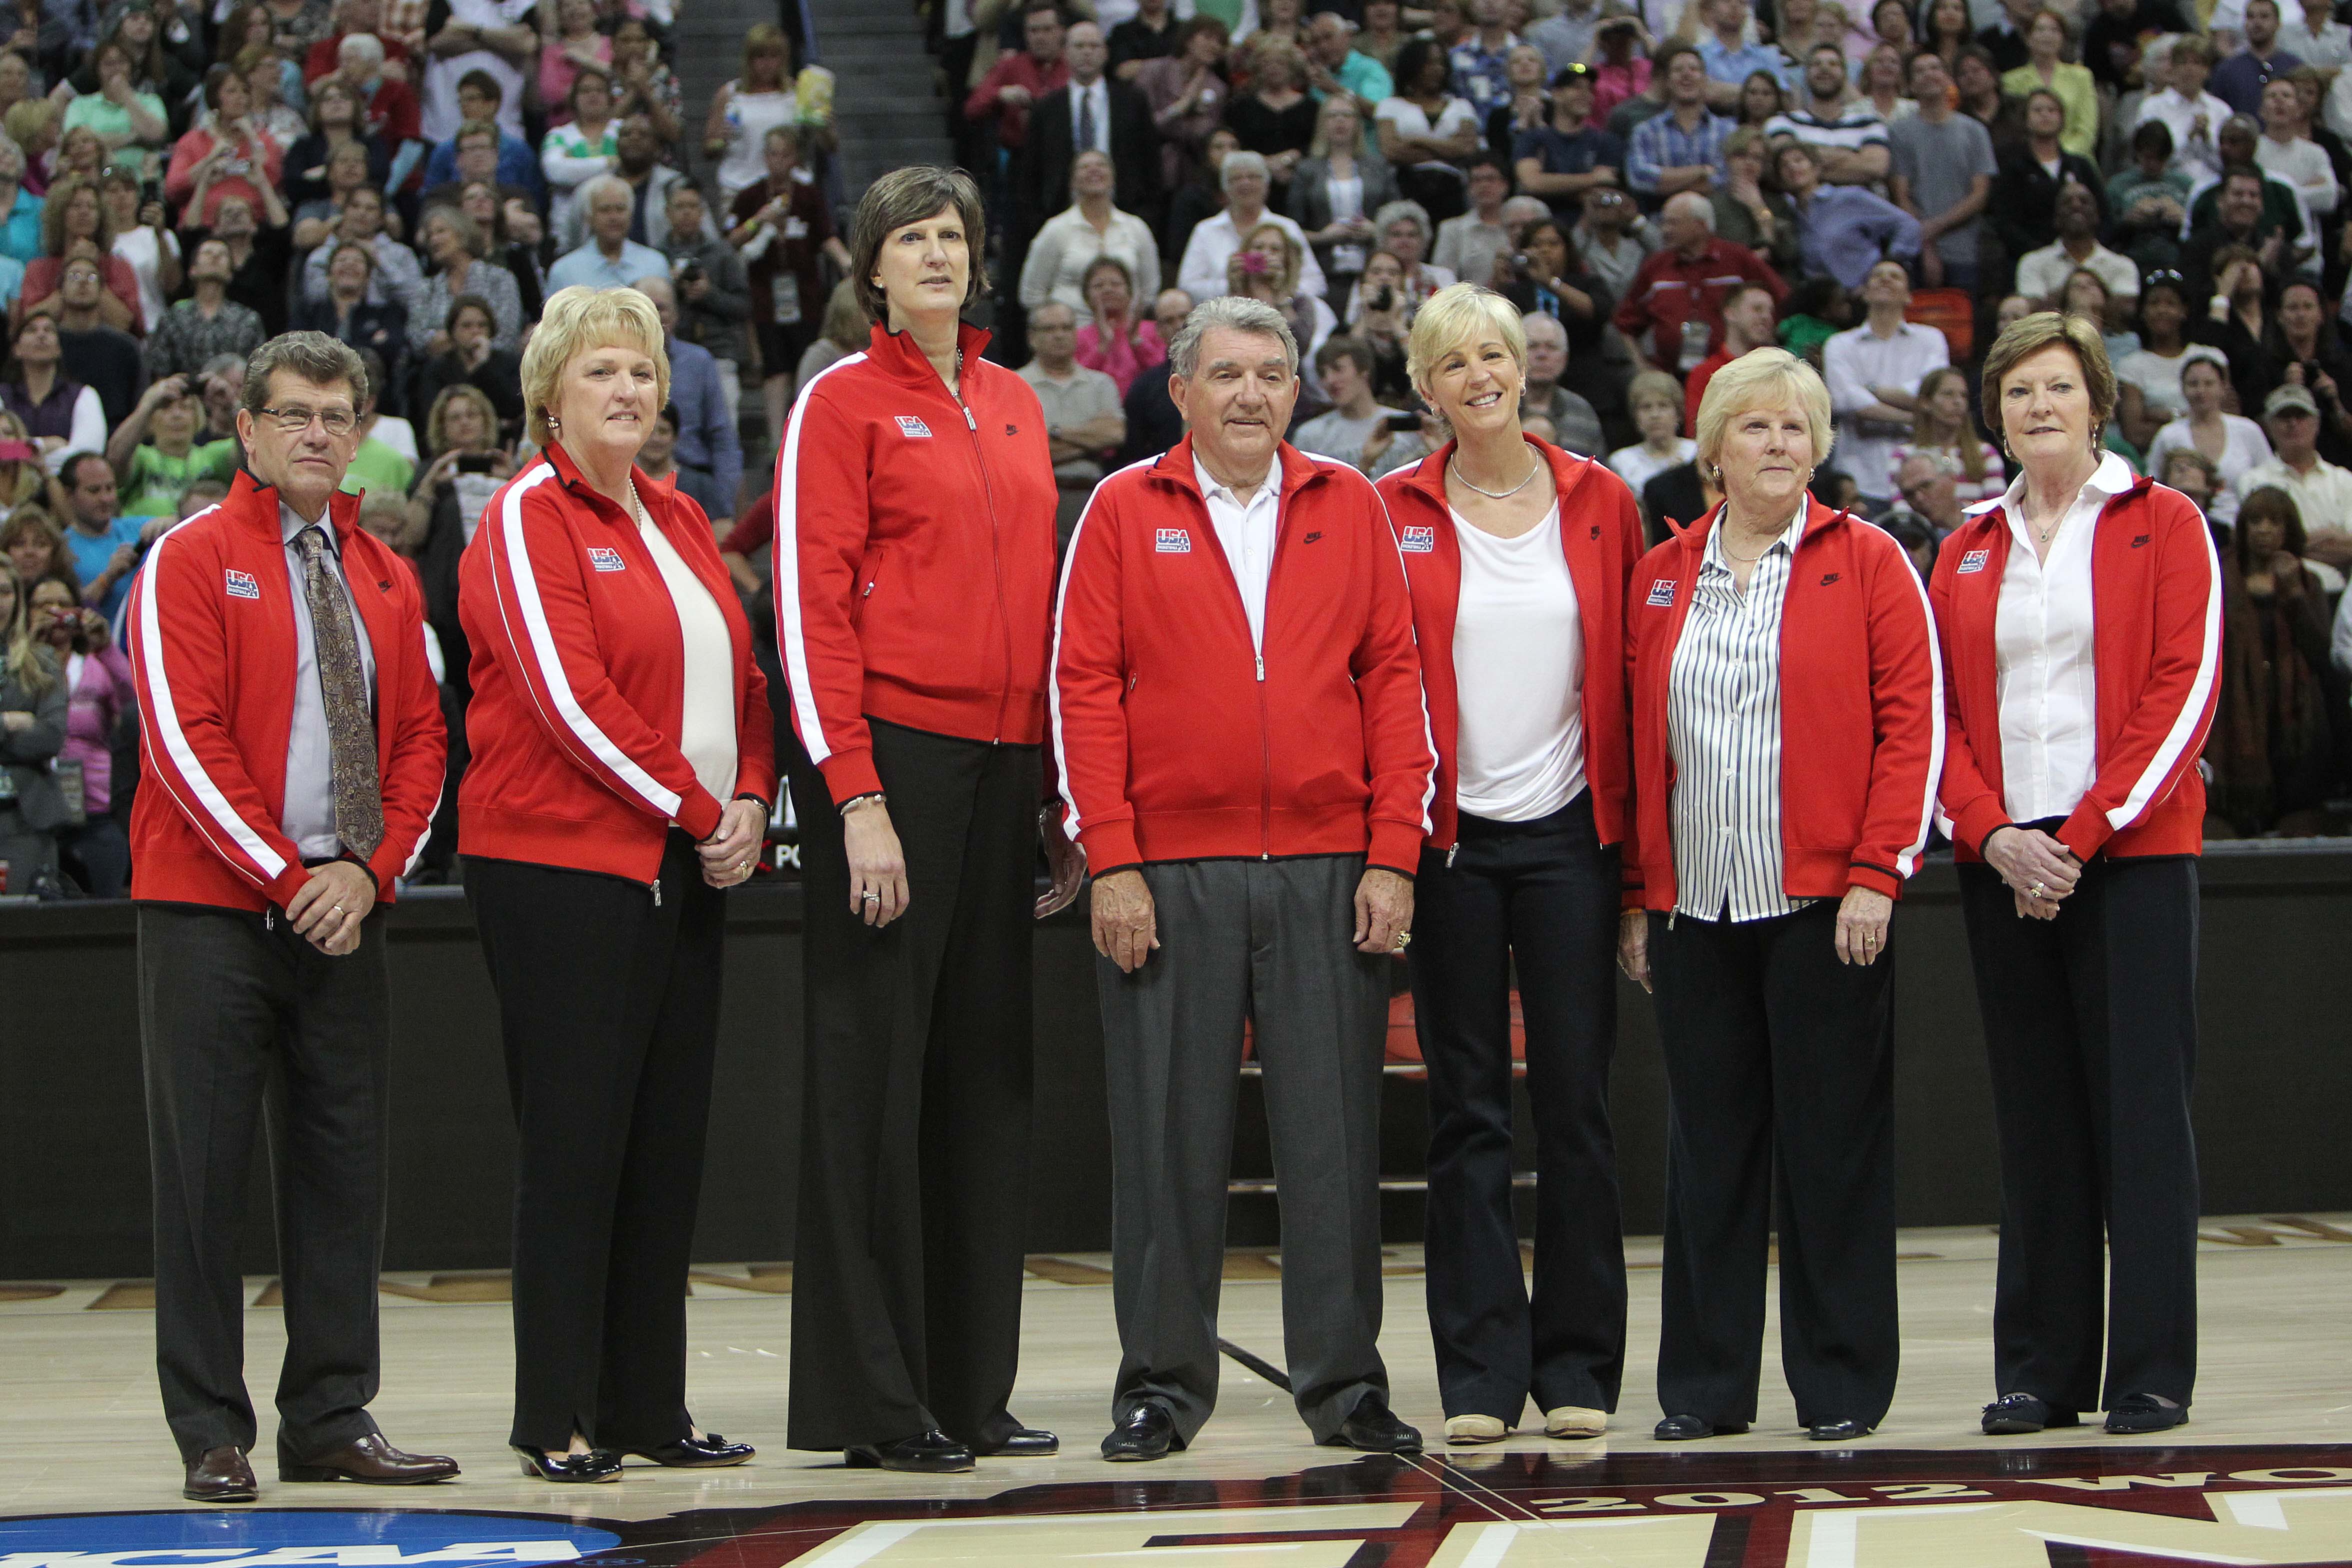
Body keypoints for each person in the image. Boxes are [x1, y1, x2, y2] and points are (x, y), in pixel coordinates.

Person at [1053, 292, 1430, 1464]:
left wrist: (1394, 853)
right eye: (1228, 374)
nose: (1254, 393)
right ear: (1183, 392)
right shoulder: (1122, 508)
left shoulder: (1348, 503)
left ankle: (1346, 1386)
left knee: (1332, 1142)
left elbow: (1395, 681)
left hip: (1329, 867)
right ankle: (1162, 1387)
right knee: (1168, 1142)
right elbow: (1084, 691)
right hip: (1170, 873)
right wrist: (1110, 862)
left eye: (1273, 373)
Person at [778, 166, 1075, 1475]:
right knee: (872, 1084)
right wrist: (855, 799)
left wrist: (1054, 794)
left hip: (1007, 770)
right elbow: (808, 609)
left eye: (955, 236)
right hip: (892, 763)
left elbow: (1046, 609)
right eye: (914, 239)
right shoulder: (838, 404)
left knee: (986, 1084)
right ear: (872, 271)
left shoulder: (1015, 403)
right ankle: (873, 1402)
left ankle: (973, 1387)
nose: (940, 255)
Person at [124, 330, 453, 1502]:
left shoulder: (385, 574)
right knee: (203, 1176)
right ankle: (211, 1427)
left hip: (345, 908)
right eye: (294, 415)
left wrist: (364, 875)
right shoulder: (188, 558)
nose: (317, 433)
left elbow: (423, 739)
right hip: (213, 912)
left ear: (359, 433)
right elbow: (182, 741)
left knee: (341, 1171)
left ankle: (330, 1412)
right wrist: (288, 876)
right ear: (249, 432)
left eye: (336, 415)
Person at [456, 284, 772, 1484]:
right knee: (577, 1144)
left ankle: (647, 1405)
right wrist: (705, 812)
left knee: (665, 1146)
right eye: (601, 373)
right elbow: (569, 703)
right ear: (548, 393)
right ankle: (555, 1415)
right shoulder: (528, 519)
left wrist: (748, 795)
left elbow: (742, 682)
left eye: (642, 371)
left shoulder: (682, 519)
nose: (629, 391)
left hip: (684, 865)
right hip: (561, 869)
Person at [1618, 345, 1940, 1444]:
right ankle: (1704, 1388)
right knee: (1707, 1153)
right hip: (1696, 907)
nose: (1779, 444)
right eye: (1755, 427)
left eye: (1797, 426)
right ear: (1711, 450)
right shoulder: (1662, 575)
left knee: (1832, 1149)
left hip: (1827, 907)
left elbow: (1912, 727)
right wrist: (1637, 896)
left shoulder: (1873, 559)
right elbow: (1632, 745)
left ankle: (1842, 1381)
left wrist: (1877, 873)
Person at [1360, 282, 1644, 1448]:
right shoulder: (1390, 510)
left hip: (1575, 841)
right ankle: (1479, 1371)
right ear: (1424, 390)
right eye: (1451, 362)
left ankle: (1578, 1366)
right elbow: (1373, 678)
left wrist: (1638, 880)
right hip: (1450, 851)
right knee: (1465, 1114)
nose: (1478, 374)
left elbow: (1632, 676)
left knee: (1575, 1106)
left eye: (1494, 354)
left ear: (1524, 369)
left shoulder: (1603, 501)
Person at [1932, 310, 2220, 1441]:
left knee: (2143, 1119)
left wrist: (2083, 836)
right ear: (1994, 418)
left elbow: (2182, 693)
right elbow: (1936, 716)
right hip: (2005, 862)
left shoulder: (2169, 521)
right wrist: (1995, 832)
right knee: (2037, 1121)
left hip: (2133, 854)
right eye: (2016, 394)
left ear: (2097, 400)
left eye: (2056, 388)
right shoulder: (1964, 549)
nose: (2037, 408)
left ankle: (2150, 1372)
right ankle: (2041, 1373)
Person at [2208, 486, 2346, 832]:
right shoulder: (2219, 578)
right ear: (2243, 528)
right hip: (2233, 709)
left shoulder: (2308, 581)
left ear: (2289, 530)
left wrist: (2294, 594)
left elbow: (2319, 652)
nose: (2264, 529)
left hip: (2294, 713)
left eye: (2274, 521)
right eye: (2256, 521)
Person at [728, 124, 849, 438]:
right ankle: (775, 441)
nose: (778, 161)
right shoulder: (750, 196)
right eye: (772, 154)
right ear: (765, 157)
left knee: (807, 361)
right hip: (766, 295)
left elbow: (827, 236)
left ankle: (809, 431)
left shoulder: (808, 196)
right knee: (774, 367)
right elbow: (732, 240)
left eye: (785, 154)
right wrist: (761, 220)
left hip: (805, 293)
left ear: (794, 158)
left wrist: (848, 263)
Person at [23, 571, 129, 894]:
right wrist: (27, 642)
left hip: (93, 813)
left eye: (63, 604)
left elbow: (135, 698)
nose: (55, 612)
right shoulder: (17, 667)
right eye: (43, 605)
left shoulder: (96, 666)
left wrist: (106, 646)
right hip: (32, 813)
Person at [1612, 192, 1786, 378]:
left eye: (1673, 223)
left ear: (1701, 226)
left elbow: (1784, 300)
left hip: (1736, 375)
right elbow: (1625, 324)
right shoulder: (1656, 267)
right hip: (1673, 379)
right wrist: (1643, 370)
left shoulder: (1737, 259)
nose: (1665, 230)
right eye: (1664, 223)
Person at [1822, 258, 1948, 506]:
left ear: (1909, 296)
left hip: (1920, 475)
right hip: (1858, 477)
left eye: (1895, 276)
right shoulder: (1839, 344)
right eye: (1877, 275)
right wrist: (1915, 417)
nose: (1885, 279)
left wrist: (1869, 390)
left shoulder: (1931, 339)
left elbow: (1931, 394)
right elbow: (1847, 401)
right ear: (1865, 293)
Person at [628, 276, 738, 526]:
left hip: (693, 486)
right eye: (646, 308)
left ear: (676, 315)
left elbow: (723, 438)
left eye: (662, 308)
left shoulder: (700, 362)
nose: (655, 316)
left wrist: (721, 501)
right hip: (629, 483)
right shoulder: (615, 367)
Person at [1888, 50, 1994, 294]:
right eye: (1920, 71)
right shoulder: (1900, 132)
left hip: (1965, 250)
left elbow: (1980, 194)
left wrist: (1935, 226)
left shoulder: (1975, 131)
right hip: (1917, 250)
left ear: (1948, 79)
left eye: (1935, 68)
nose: (1929, 75)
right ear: (1911, 84)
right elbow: (1901, 194)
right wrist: (1926, 244)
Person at [1020, 148, 1162, 328]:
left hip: (1127, 336)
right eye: (1085, 167)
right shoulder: (1055, 230)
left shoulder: (1137, 228)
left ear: (1114, 177)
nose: (1094, 170)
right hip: (1073, 335)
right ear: (1072, 181)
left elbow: (1150, 291)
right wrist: (1058, 328)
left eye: (1101, 165)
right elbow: (1031, 294)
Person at [1178, 150, 1328, 300]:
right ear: (1225, 188)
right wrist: (1231, 286)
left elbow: (1316, 283)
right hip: (1223, 316)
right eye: (1236, 178)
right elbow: (1187, 285)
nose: (1245, 183)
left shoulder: (1288, 227)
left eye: (1253, 177)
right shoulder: (1206, 230)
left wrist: (1281, 291)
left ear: (1267, 185)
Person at [2144, 354, 2274, 527]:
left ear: (2223, 387)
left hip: (2243, 528)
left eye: (2209, 384)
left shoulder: (2248, 430)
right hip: (2184, 524)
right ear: (2183, 389)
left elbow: (2269, 478)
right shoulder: (2168, 435)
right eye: (2193, 384)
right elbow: (2153, 486)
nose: (2201, 391)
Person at [1290, 94, 1398, 300]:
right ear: (1322, 124)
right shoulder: (1307, 170)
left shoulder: (1379, 167)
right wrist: (1324, 236)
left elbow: (1397, 218)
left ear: (1358, 123)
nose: (1340, 121)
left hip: (1373, 267)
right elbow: (1293, 231)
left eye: (1347, 116)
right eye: (1333, 116)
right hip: (1324, 270)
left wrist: (1376, 231)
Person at [1776, 140, 1921, 290]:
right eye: (1784, 165)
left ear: (1816, 168)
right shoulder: (1788, 215)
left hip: (1864, 294)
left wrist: (1889, 264)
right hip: (1823, 304)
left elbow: (1908, 225)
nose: (1792, 167)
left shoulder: (1849, 198)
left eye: (1799, 160)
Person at [2234, 382, 2352, 564]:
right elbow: (2261, 548)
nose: (2293, 424)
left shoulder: (2344, 480)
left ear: (2317, 423)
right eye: (2284, 417)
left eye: (2301, 416)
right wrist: (2330, 536)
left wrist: (2292, 545)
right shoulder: (2253, 482)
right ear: (2269, 426)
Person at [705, 24, 818, 205]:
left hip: (790, 190)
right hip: (740, 187)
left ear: (783, 59)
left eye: (774, 56)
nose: (767, 64)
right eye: (760, 56)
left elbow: (820, 142)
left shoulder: (797, 93)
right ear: (749, 59)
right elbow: (709, 147)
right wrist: (720, 141)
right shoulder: (730, 94)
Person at [165, 66, 287, 232]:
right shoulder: (193, 141)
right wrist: (211, 159)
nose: (241, 98)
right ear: (215, 98)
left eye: (245, 92)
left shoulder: (263, 139)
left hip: (254, 227)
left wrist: (252, 137)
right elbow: (173, 189)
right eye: (232, 92)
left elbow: (273, 179)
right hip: (203, 228)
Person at [1374, 36, 1482, 224]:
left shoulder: (1462, 106)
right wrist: (1448, 150)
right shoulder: (1390, 106)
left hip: (1452, 190)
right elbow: (1392, 151)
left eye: (1440, 63)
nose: (1436, 69)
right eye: (1429, 63)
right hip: (1406, 185)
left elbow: (1467, 149)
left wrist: (1417, 141)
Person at [108, 374, 240, 517]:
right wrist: (148, 406)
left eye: (185, 407)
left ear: (197, 417)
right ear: (150, 418)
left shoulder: (213, 455)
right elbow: (114, 462)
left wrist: (233, 406)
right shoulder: (141, 456)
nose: (177, 415)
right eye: (165, 408)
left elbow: (252, 454)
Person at [1766, 43, 1892, 187]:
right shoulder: (1782, 122)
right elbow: (1787, 166)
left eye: (1833, 64)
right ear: (1806, 74)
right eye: (1817, 64)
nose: (1825, 69)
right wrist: (1849, 156)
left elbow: (1876, 168)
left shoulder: (1870, 123)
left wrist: (1808, 161)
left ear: (1845, 75)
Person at [292, 242, 407, 398]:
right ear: (329, 274)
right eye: (342, 261)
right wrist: (368, 343)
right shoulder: (309, 313)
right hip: (313, 389)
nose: (349, 265)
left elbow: (391, 349)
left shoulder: (387, 314)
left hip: (370, 394)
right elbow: (295, 350)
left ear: (368, 277)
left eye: (357, 262)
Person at [964, 3, 1070, 170]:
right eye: (1033, 31)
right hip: (1020, 157)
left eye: (1047, 30)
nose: (1040, 37)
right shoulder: (1011, 66)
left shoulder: (1073, 67)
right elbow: (972, 108)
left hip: (1067, 156)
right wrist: (1001, 93)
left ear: (1062, 31)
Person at [1514, 63, 1624, 224]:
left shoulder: (1606, 141)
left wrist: (1549, 186)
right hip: (1540, 225)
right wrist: (1593, 178)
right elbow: (1531, 182)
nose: (1585, 95)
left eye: (1590, 90)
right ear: (1557, 94)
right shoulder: (1533, 138)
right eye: (1577, 88)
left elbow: (1603, 190)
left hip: (1589, 226)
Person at [1626, 45, 1736, 205]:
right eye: (1678, 70)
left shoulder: (1727, 131)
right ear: (1668, 82)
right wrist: (1702, 171)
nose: (1686, 75)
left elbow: (1725, 179)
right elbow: (1640, 177)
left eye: (1694, 69)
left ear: (1705, 79)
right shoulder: (1646, 131)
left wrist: (1667, 183)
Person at [410, 204, 522, 356]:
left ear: (462, 234)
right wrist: (466, 343)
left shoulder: (499, 279)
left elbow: (508, 335)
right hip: (440, 370)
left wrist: (455, 341)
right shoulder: (427, 287)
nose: (434, 240)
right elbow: (417, 338)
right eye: (430, 236)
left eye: (441, 231)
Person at [1887, 366, 2005, 507]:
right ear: (1926, 403)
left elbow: (1995, 510)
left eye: (1963, 396)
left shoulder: (1985, 454)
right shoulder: (1903, 456)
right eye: (1948, 394)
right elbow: (1903, 515)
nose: (1958, 402)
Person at [4, 316, 105, 478]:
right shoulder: (2, 395)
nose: (41, 335)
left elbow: (86, 458)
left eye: (49, 330)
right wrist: (45, 445)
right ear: (16, 350)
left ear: (59, 349)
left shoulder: (84, 395)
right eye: (31, 330)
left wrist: (18, 453)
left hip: (65, 491)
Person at [2116, 276, 2208, 448]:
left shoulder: (2208, 357)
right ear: (2143, 312)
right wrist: (2190, 419)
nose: (2162, 310)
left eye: (2171, 304)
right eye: (2154, 303)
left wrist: (2160, 417)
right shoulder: (2131, 366)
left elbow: (2227, 417)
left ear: (2184, 311)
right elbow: (2134, 433)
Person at [2014, 184, 2138, 308]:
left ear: (2097, 216)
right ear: (2056, 218)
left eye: (2084, 201)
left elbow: (2123, 313)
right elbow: (2033, 311)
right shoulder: (2032, 263)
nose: (2076, 206)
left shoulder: (2123, 265)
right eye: (2067, 202)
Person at [2000, 9, 2099, 158]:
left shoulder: (2082, 77)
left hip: (2075, 159)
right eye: (2041, 30)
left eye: (2055, 30)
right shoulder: (2010, 81)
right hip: (2028, 161)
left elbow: (2087, 131)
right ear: (2028, 37)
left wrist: (2058, 156)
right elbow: (2013, 130)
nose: (2048, 36)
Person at [1292, 334, 1398, 472]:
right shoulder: (1310, 436)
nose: (1330, 380)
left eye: (1338, 369)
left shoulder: (1405, 426)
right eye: (1323, 374)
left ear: (1364, 371)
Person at [547, 176, 668, 294]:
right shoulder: (564, 271)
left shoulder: (656, 264)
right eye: (605, 210)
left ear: (631, 215)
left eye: (620, 209)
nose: (614, 217)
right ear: (589, 217)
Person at [1683, 282, 1778, 431]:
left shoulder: (1779, 371)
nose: (1767, 317)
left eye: (1770, 312)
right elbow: (1697, 433)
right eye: (1757, 309)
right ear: (1731, 314)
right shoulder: (1704, 374)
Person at [2136, 38, 2234, 182]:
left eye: (2197, 63)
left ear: (2207, 71)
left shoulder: (2221, 110)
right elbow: (2150, 159)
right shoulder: (2153, 107)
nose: (2190, 69)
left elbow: (2228, 163)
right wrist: (2189, 137)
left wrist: (2207, 140)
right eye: (2184, 63)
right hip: (2166, 185)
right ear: (2173, 68)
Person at [538, 66, 616, 240]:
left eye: (599, 90)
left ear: (610, 97)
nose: (593, 95)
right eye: (585, 91)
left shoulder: (623, 131)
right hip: (567, 232)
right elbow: (556, 171)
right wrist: (610, 163)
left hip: (617, 228)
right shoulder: (558, 135)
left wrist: (576, 165)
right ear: (574, 98)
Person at [1518, 308, 1606, 458]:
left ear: (1565, 359)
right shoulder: (1495, 407)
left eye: (1551, 347)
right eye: (1532, 347)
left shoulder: (1582, 412)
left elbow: (1597, 473)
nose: (1542, 355)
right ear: (1516, 355)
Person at [1074, 256, 1164, 396]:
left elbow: (1165, 374)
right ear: (1086, 297)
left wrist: (1136, 342)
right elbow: (1075, 381)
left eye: (1116, 284)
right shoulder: (1078, 337)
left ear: (1130, 292)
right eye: (1098, 286)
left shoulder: (1153, 330)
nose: (1108, 290)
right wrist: (1102, 348)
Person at [2211, 0, 2302, 120]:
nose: (2257, 23)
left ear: (2278, 23)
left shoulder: (2294, 67)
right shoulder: (2227, 70)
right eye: (2251, 17)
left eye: (2264, 17)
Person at [1610, 368, 1697, 493]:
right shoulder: (1622, 462)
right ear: (1636, 417)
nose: (1655, 415)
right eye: (1646, 407)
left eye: (1663, 406)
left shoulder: (1696, 454)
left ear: (1678, 413)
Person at [1430, 152, 1507, 289]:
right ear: (1469, 188)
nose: (1484, 185)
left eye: (1491, 179)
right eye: (1477, 180)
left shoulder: (1518, 226)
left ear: (1505, 185)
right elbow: (1443, 280)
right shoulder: (1452, 229)